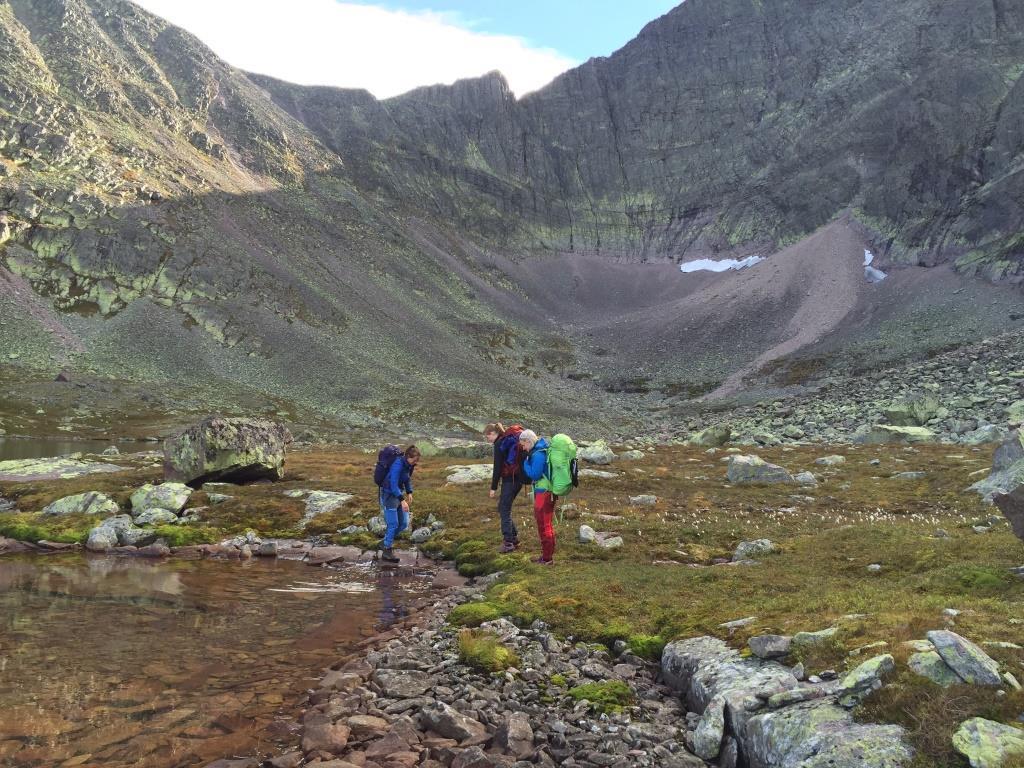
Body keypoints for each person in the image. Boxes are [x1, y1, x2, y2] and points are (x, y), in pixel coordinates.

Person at [484, 422, 526, 552]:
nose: (488, 440)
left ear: (492, 434)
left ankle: (508, 543)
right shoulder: (506, 441)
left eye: (487, 437)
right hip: (518, 479)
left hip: (510, 481)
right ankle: (514, 539)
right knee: (503, 507)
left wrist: (493, 487)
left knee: (504, 509)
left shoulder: (499, 444)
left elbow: (497, 468)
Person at [519, 429, 555, 565]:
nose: (523, 447)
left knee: (543, 524)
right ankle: (547, 556)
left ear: (529, 441)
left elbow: (534, 474)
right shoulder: (540, 450)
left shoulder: (538, 454)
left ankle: (547, 559)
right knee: (546, 524)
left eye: (523, 444)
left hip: (543, 492)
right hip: (545, 491)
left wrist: (525, 463)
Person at [380, 445, 419, 563]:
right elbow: (393, 484)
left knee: (403, 524)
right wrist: (402, 500)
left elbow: (406, 479)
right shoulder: (398, 464)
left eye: (417, 460)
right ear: (408, 456)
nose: (416, 462)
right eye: (414, 459)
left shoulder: (408, 465)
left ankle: (384, 542)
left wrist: (409, 492)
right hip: (389, 495)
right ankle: (386, 550)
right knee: (393, 524)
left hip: (398, 494)